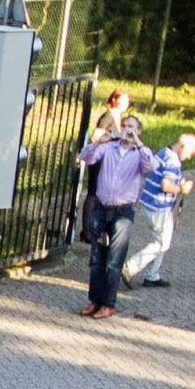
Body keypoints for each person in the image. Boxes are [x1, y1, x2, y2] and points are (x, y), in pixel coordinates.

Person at [75, 120, 147, 319]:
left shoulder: (139, 153)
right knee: (97, 258)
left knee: (114, 261)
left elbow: (151, 167)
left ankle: (108, 303)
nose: (128, 130)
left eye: (132, 127)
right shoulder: (108, 148)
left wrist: (138, 143)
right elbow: (85, 157)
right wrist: (99, 142)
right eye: (125, 125)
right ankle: (94, 301)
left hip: (123, 212)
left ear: (138, 131)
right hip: (101, 207)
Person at [121, 132, 195, 289]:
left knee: (164, 239)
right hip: (158, 207)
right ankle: (130, 267)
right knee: (161, 244)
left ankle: (153, 275)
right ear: (183, 147)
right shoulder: (173, 161)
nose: (189, 157)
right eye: (189, 153)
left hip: (150, 203)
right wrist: (181, 188)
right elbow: (165, 185)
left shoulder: (165, 152)